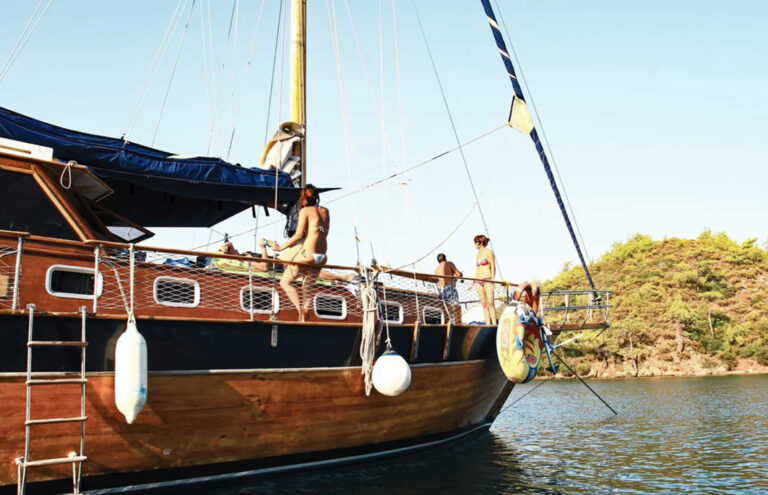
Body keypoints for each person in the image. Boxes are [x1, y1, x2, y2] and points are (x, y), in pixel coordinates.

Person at [272, 184, 330, 322]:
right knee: (307, 287)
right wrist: (313, 229)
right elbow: (322, 231)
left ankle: (300, 313)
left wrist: (280, 248)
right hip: (321, 256)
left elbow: (298, 235)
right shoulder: (325, 212)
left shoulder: (305, 211)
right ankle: (305, 315)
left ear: (303, 199)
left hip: (308, 254)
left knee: (285, 282)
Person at [473, 234, 497, 325]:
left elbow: (493, 266)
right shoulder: (477, 255)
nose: (475, 244)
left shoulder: (489, 252)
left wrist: (492, 279)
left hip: (488, 279)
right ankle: (488, 323)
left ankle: (494, 323)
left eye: (476, 242)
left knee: (490, 302)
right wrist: (473, 282)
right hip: (479, 280)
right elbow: (477, 269)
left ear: (481, 242)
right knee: (484, 304)